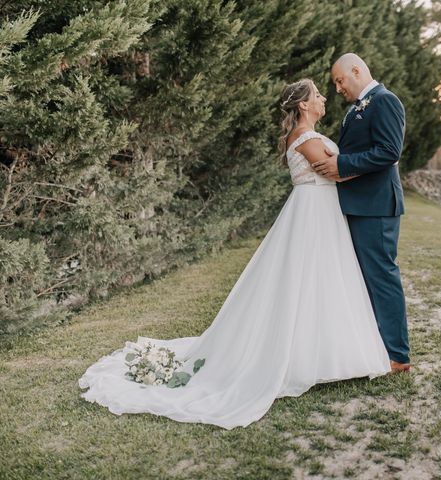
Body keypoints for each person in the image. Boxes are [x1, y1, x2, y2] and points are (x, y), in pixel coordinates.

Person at [78, 78, 393, 430]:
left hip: (321, 211)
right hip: (313, 212)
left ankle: (324, 356)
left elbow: (339, 167)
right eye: (317, 95)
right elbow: (337, 174)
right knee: (307, 280)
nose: (323, 98)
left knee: (322, 281)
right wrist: (378, 163)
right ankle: (305, 358)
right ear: (303, 105)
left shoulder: (308, 136)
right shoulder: (305, 139)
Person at [312, 53, 411, 372]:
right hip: (357, 204)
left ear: (357, 71)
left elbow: (388, 152)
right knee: (364, 279)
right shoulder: (356, 109)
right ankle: (373, 346)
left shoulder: (385, 101)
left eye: (340, 80)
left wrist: (340, 165)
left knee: (382, 277)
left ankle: (397, 355)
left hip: (376, 207)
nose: (338, 88)